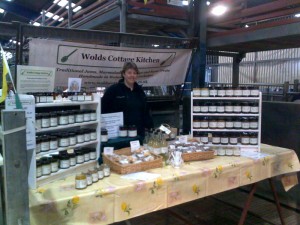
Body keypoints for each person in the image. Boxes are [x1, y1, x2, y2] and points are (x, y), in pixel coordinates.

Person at [101, 62, 153, 137]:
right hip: (119, 135)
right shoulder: (113, 90)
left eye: (135, 73)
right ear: (123, 74)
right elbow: (104, 110)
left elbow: (146, 112)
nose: (132, 75)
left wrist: (150, 128)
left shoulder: (140, 91)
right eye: (129, 73)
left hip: (138, 133)